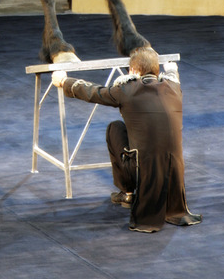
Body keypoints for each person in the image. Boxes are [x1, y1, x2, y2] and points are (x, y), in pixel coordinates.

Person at [51, 47, 203, 233]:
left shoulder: (127, 90)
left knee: (115, 129)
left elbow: (94, 92)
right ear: (156, 71)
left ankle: (128, 193)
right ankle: (141, 197)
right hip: (174, 172)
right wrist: (170, 67)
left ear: (133, 71)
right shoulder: (174, 88)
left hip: (143, 171)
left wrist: (64, 81)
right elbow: (172, 74)